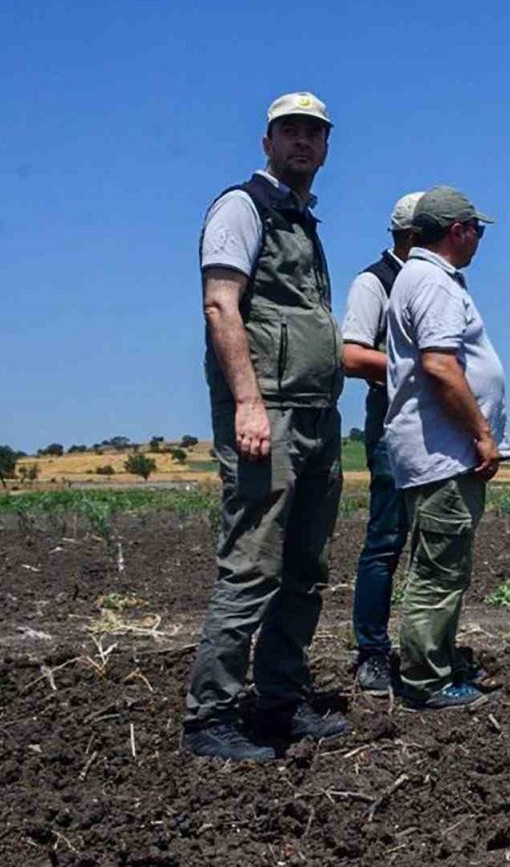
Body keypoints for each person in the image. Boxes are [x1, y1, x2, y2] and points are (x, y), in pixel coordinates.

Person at [183, 91, 348, 760]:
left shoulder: (303, 222)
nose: (302, 141)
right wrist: (248, 403)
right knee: (253, 562)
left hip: (315, 413)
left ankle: (280, 697)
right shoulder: (242, 207)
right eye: (290, 131)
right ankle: (210, 715)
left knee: (305, 567)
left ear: (326, 146)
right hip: (267, 414)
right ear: (267, 143)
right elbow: (222, 307)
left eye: (314, 132)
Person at [382, 185, 508, 711]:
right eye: (476, 229)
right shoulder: (433, 283)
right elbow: (439, 365)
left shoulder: (424, 277)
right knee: (438, 570)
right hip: (443, 454)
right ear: (457, 232)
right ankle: (425, 680)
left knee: (443, 565)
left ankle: (436, 660)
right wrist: (482, 432)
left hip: (439, 453)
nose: (480, 238)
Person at [341, 192, 424, 695]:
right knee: (386, 539)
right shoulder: (374, 282)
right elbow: (352, 356)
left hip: (433, 421)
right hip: (393, 420)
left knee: (428, 538)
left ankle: (423, 647)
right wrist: (425, 370)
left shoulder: (433, 281)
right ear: (415, 235)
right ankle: (371, 651)